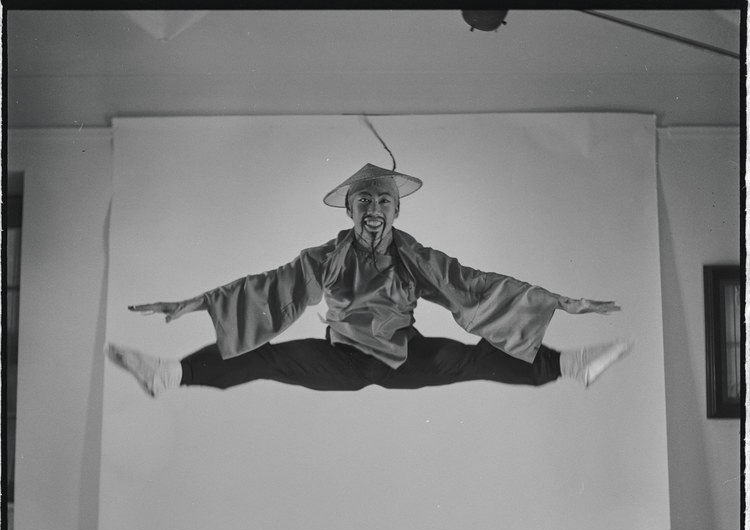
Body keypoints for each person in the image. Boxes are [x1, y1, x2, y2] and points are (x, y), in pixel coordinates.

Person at [106, 163, 634, 398]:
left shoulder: (414, 257)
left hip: (407, 356)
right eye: (364, 202)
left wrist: (558, 302)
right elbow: (270, 288)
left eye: (383, 201)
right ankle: (172, 375)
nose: (373, 211)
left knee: (476, 357)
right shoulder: (329, 257)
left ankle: (571, 365)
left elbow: (474, 285)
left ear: (396, 211)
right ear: (351, 212)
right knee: (267, 357)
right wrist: (197, 303)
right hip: (342, 358)